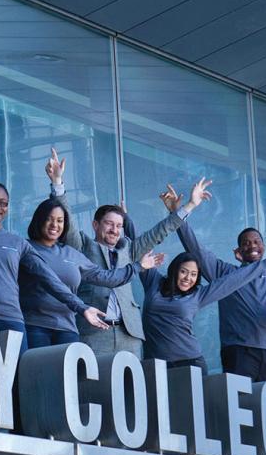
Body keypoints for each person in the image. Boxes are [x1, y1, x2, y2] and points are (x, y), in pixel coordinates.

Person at [177, 175, 266, 383]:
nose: (252, 245)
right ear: (238, 253)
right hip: (238, 351)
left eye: (256, 241)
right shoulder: (224, 272)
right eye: (246, 243)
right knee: (242, 410)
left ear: (263, 248)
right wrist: (180, 213)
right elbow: (195, 248)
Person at [46, 148, 189, 357]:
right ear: (95, 225)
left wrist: (187, 208)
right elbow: (67, 222)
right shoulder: (83, 246)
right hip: (93, 332)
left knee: (131, 389)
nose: (114, 230)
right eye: (109, 224)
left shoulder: (129, 249)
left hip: (128, 333)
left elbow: (159, 232)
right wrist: (58, 184)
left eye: (119, 226)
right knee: (92, 387)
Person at [0, 181, 109, 354]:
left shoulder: (18, 243)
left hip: (13, 318)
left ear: (8, 207)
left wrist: (81, 307)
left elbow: (49, 279)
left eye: (2, 203)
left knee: (20, 377)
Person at [21, 198, 165, 349]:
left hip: (67, 328)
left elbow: (106, 277)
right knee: (38, 371)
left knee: (67, 373)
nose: (55, 225)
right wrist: (57, 184)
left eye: (60, 220)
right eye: (49, 219)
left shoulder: (71, 254)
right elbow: (51, 283)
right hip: (35, 326)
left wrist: (138, 266)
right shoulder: (26, 248)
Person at [142, 248, 266, 374]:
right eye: (183, 271)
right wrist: (125, 220)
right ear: (174, 270)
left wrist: (262, 266)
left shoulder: (197, 296)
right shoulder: (154, 282)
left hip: (189, 363)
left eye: (193, 274)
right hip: (154, 364)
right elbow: (139, 247)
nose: (188, 278)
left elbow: (231, 281)